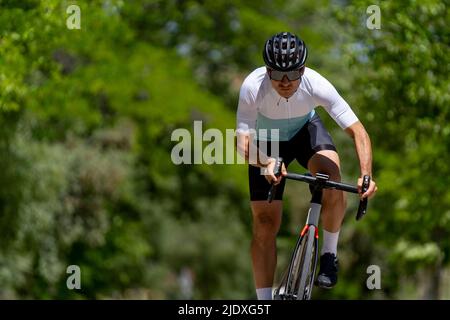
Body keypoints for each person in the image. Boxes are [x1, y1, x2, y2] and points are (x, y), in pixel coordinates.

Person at [235, 32, 377, 300]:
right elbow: (242, 142)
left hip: (305, 133)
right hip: (267, 144)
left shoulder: (317, 83)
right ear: (267, 71)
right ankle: (264, 301)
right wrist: (265, 162)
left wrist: (366, 175)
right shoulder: (252, 86)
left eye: (292, 74)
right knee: (265, 224)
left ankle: (329, 254)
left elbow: (358, 131)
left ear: (303, 69)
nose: (285, 82)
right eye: (277, 75)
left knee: (331, 176)